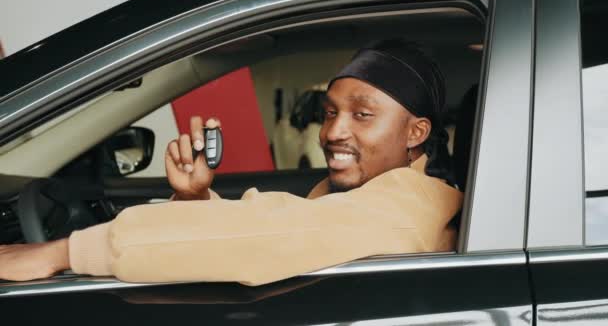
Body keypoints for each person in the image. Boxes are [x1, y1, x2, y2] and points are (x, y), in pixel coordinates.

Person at [0, 39, 463, 285]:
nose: (333, 132)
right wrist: (195, 197)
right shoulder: (385, 193)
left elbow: (267, 235)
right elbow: (293, 226)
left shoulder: (403, 211)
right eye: (328, 113)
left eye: (362, 115)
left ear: (416, 132)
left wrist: (61, 253)